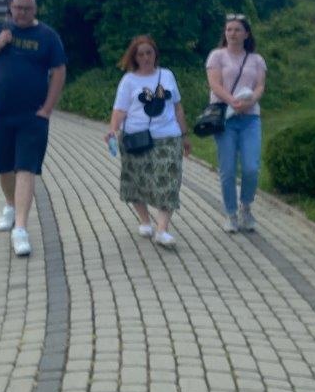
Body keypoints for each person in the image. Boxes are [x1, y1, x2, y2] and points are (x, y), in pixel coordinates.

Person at [0, 0, 66, 257]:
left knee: (26, 167)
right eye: (17, 8)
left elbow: (59, 71)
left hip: (32, 117)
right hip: (0, 112)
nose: (21, 13)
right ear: (11, 7)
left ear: (35, 10)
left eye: (27, 8)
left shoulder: (47, 36)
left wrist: (48, 108)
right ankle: (10, 205)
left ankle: (21, 229)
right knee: (4, 164)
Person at [106, 35, 191, 247]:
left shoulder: (167, 75)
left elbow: (177, 107)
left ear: (155, 54)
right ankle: (145, 220)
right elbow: (119, 110)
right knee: (136, 181)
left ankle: (162, 230)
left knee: (169, 182)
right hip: (136, 138)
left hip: (168, 137)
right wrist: (113, 130)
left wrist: (184, 135)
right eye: (140, 54)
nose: (145, 57)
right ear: (134, 57)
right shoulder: (129, 81)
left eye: (149, 53)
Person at [206, 14, 267, 233]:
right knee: (228, 169)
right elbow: (215, 84)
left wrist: (250, 101)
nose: (232, 33)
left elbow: (260, 86)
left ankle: (246, 207)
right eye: (229, 29)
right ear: (225, 33)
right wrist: (232, 101)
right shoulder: (217, 56)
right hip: (226, 119)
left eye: (237, 30)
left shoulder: (256, 59)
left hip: (250, 118)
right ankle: (231, 213)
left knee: (251, 167)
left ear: (246, 34)